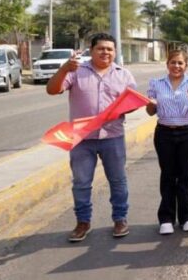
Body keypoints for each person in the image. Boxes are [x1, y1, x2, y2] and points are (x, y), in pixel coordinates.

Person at [46, 33, 136, 242]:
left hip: (112, 136)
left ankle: (120, 219)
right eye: (101, 48)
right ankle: (83, 222)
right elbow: (52, 90)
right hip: (81, 138)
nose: (106, 52)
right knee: (81, 182)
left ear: (115, 52)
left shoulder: (124, 75)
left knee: (118, 181)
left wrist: (124, 109)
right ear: (92, 50)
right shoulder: (76, 71)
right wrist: (64, 69)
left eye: (110, 49)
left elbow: (131, 104)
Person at [146, 50, 188, 235]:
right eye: (173, 62)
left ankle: (187, 216)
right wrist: (151, 103)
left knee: (184, 174)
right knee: (167, 175)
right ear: (167, 64)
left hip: (187, 133)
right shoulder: (156, 83)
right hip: (164, 133)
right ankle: (166, 218)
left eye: (180, 63)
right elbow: (150, 112)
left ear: (186, 65)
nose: (176, 66)